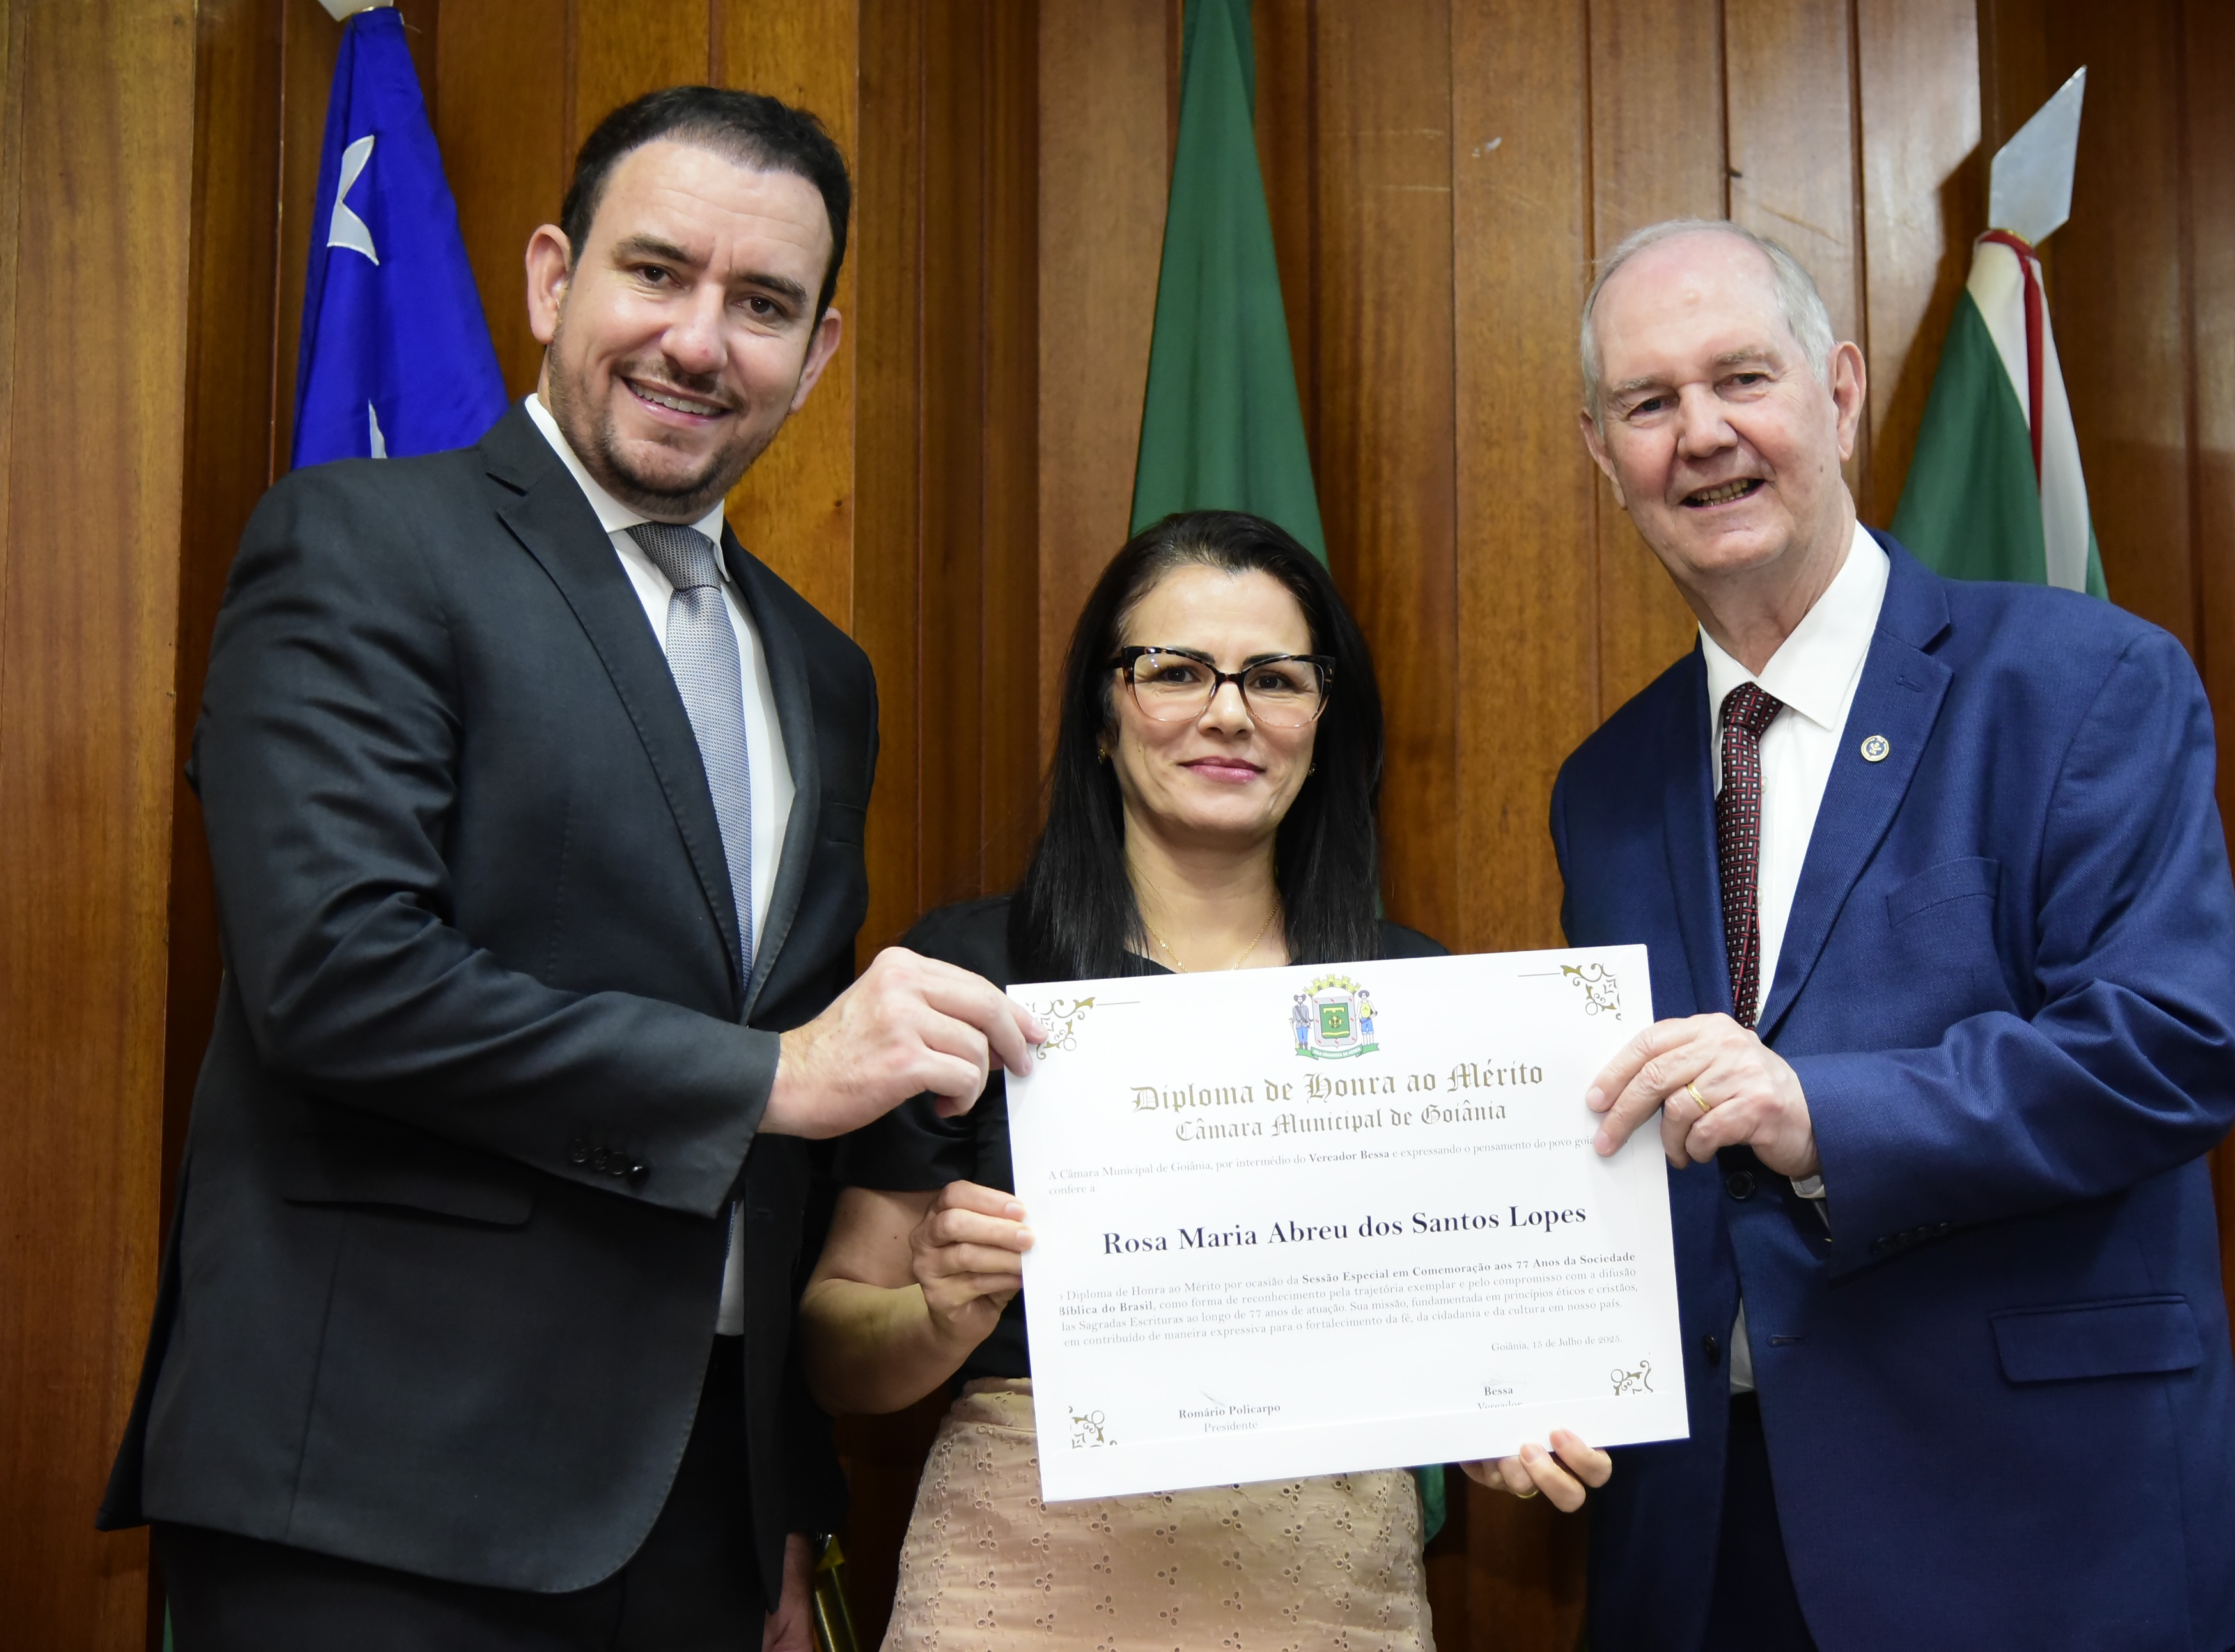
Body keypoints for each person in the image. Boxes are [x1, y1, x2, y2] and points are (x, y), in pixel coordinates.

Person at [98, 86, 1040, 1651]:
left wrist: (782, 1489)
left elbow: (779, 1144)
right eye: (655, 272)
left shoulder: (823, 672)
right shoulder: (362, 544)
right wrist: (774, 1073)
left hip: (695, 1518)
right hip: (379, 1504)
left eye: (762, 305)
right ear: (552, 279)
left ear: (817, 354)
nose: (697, 341)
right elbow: (336, 975)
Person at [1548, 217, 2235, 1650]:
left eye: (1741, 378)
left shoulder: (2084, 681)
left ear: (1839, 391)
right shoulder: (1605, 787)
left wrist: (1818, 1109)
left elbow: (2166, 1049)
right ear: (1603, 456)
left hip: (2032, 1531)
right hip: (1708, 1547)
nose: (1702, 433)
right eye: (1648, 402)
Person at [804, 510, 1592, 1649]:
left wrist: (1499, 1406)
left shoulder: (1418, 999)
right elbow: (835, 1352)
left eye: (1275, 679)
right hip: (1022, 1580)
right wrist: (937, 1317)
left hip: (1330, 1583)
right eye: (1175, 672)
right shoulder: (970, 974)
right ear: (1102, 714)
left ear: (1323, 723)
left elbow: (1485, 1333)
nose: (1229, 713)